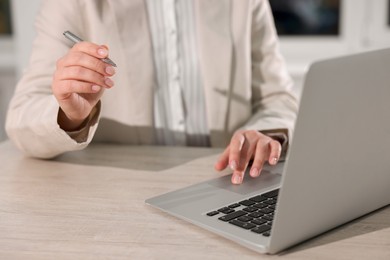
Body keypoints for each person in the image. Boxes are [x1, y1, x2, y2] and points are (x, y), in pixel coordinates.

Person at [6, 0, 298, 185]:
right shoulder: (72, 4)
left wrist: (263, 133)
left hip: (226, 183)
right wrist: (69, 114)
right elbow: (22, 117)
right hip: (121, 195)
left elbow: (279, 98)